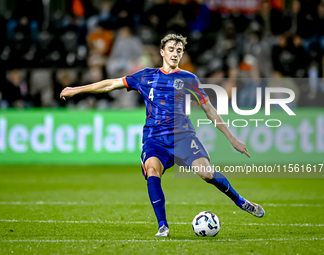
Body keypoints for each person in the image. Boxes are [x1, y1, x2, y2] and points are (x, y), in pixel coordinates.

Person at [60, 34, 265, 237]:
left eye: (178, 50)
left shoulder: (188, 79)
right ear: (162, 52)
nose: (175, 54)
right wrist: (77, 90)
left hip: (182, 136)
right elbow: (110, 84)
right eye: (171, 49)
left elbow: (209, 110)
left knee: (206, 173)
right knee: (152, 170)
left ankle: (242, 202)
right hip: (155, 138)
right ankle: (163, 226)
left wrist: (232, 139)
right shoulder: (145, 76)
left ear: (182, 54)